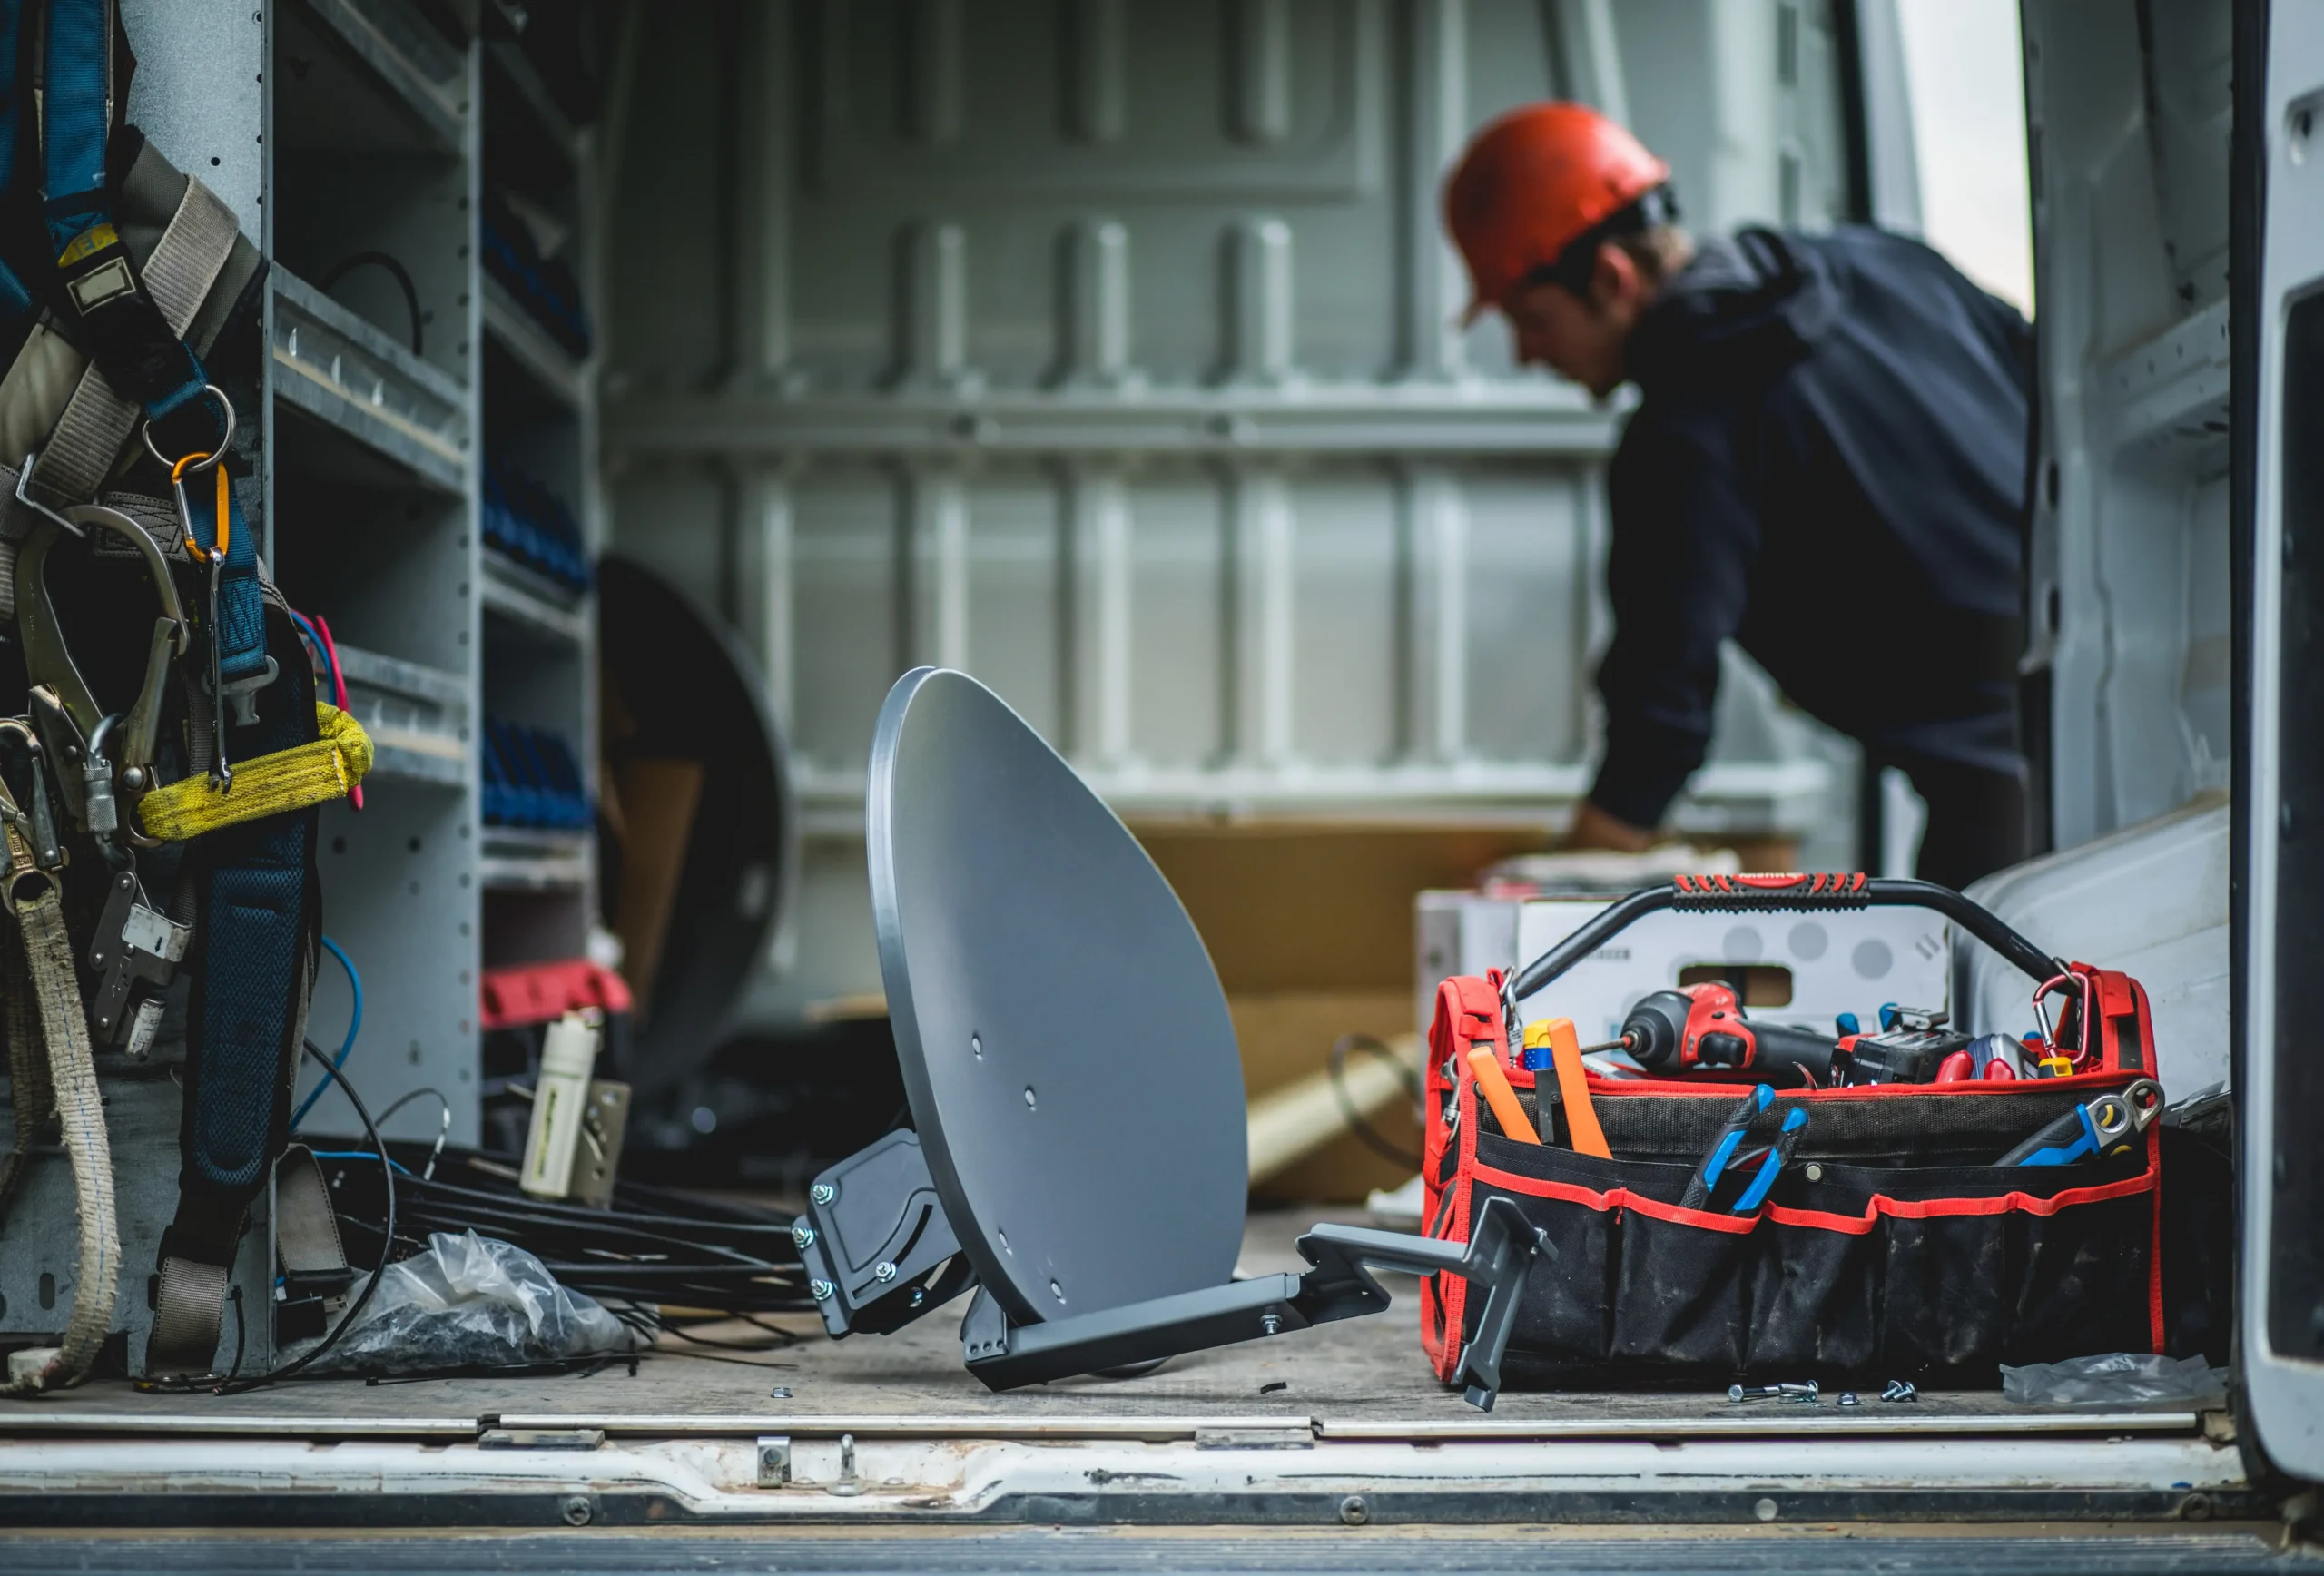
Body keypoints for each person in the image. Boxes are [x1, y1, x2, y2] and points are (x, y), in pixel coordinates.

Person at [1443, 103, 2034, 889]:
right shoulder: (1884, 261)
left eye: (1532, 319)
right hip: (2141, 715)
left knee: (1988, 1002)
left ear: (1611, 278)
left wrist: (1548, 900)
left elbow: (1660, 727)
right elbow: (2055, 396)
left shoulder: (1684, 438)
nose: (1525, 353)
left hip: (2008, 814)